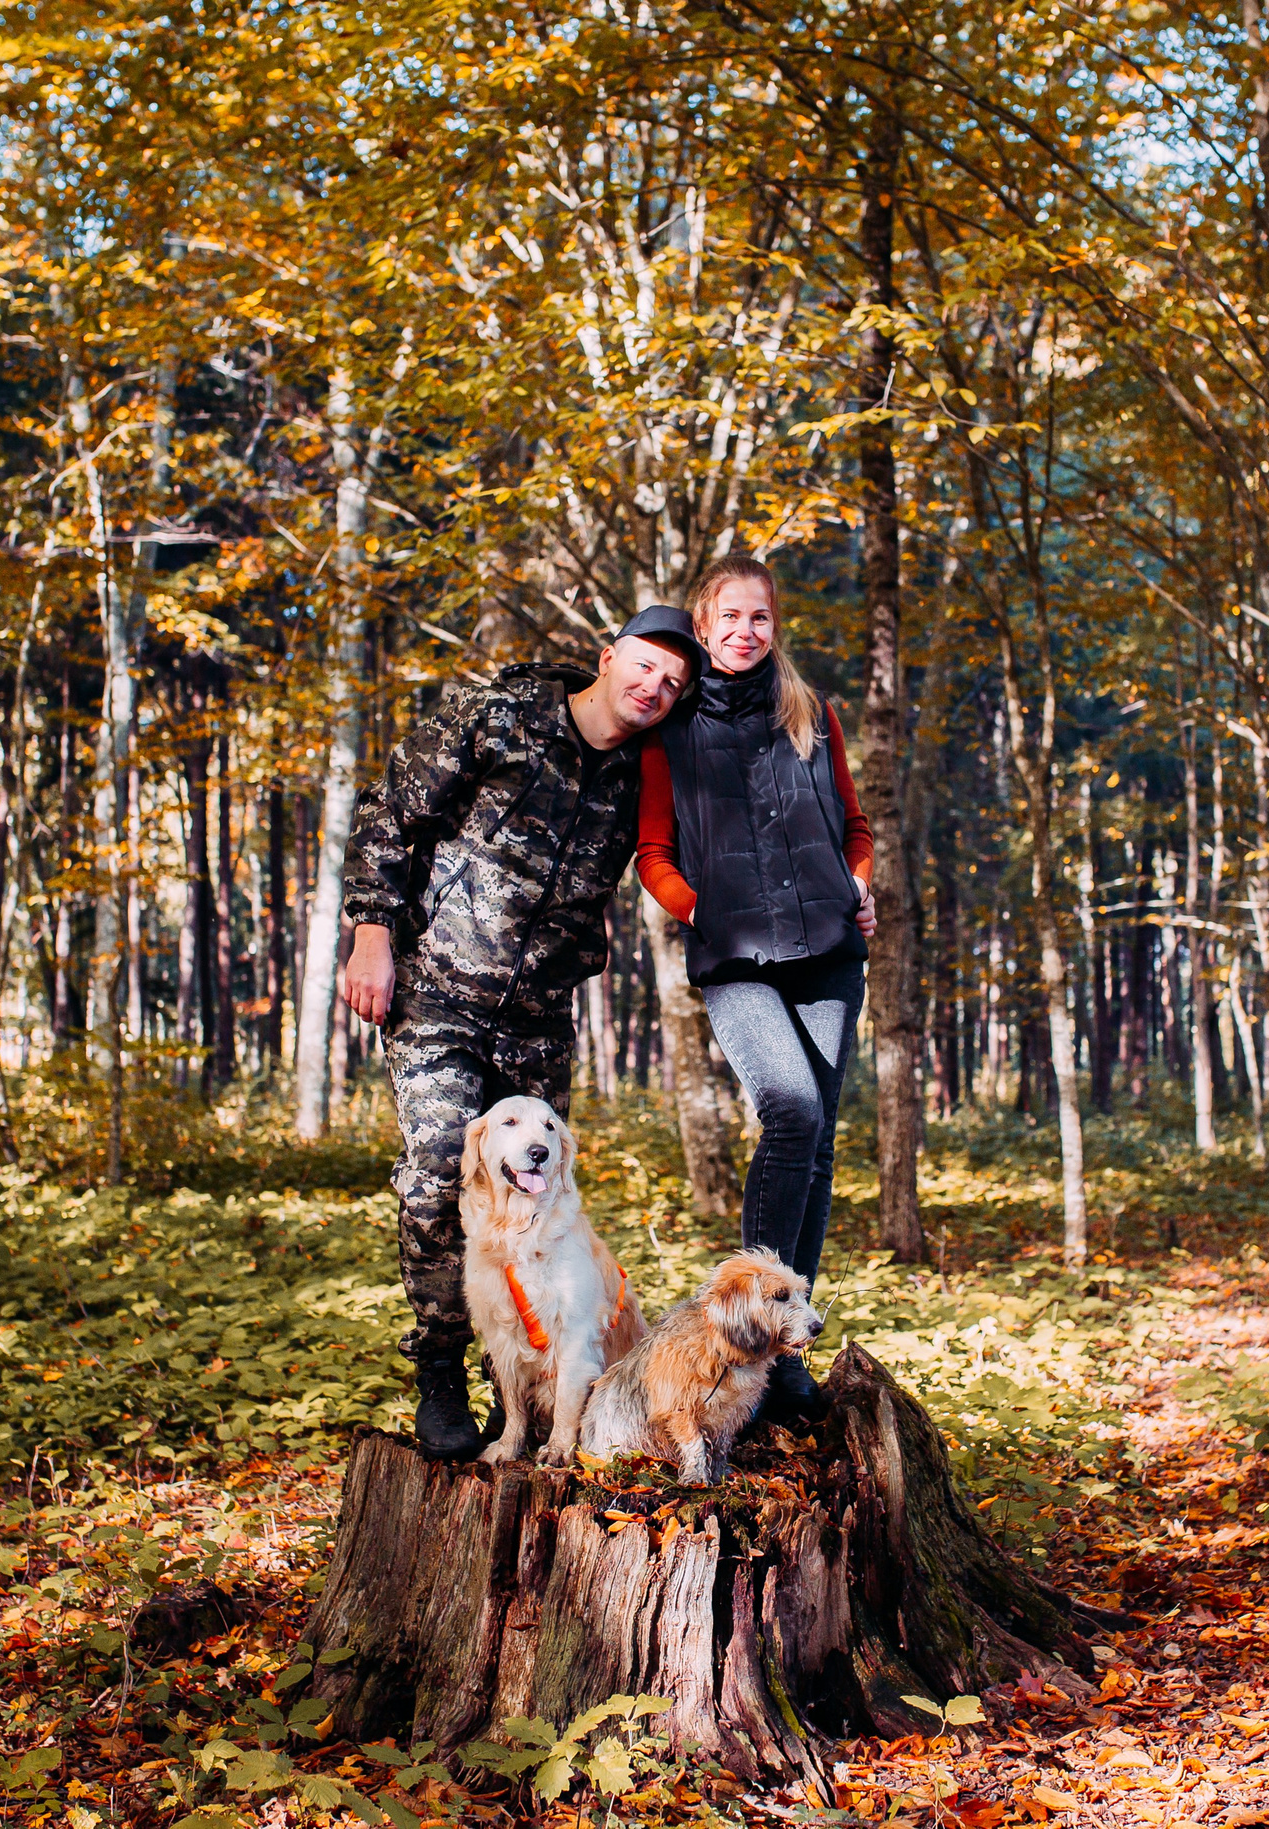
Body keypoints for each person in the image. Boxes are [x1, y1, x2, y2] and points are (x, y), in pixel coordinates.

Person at [341, 608, 701, 1460]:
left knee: (540, 1203)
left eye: (672, 684)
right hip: (439, 993)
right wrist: (370, 931)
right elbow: (391, 810)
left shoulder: (642, 775)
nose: (653, 687)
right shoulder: (500, 715)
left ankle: (538, 1399)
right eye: (644, 666)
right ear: (609, 657)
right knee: (439, 1169)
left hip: (538, 1012)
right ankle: (440, 1372)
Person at [634, 554, 875, 1423]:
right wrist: (701, 908)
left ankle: (784, 1356)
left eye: (760, 619)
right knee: (792, 1108)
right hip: (734, 957)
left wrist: (860, 885)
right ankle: (744, 1330)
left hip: (828, 954)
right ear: (703, 628)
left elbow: (854, 826)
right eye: (728, 618)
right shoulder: (673, 727)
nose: (745, 632)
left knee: (818, 1144)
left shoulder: (814, 714)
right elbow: (652, 853)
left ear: (776, 627)